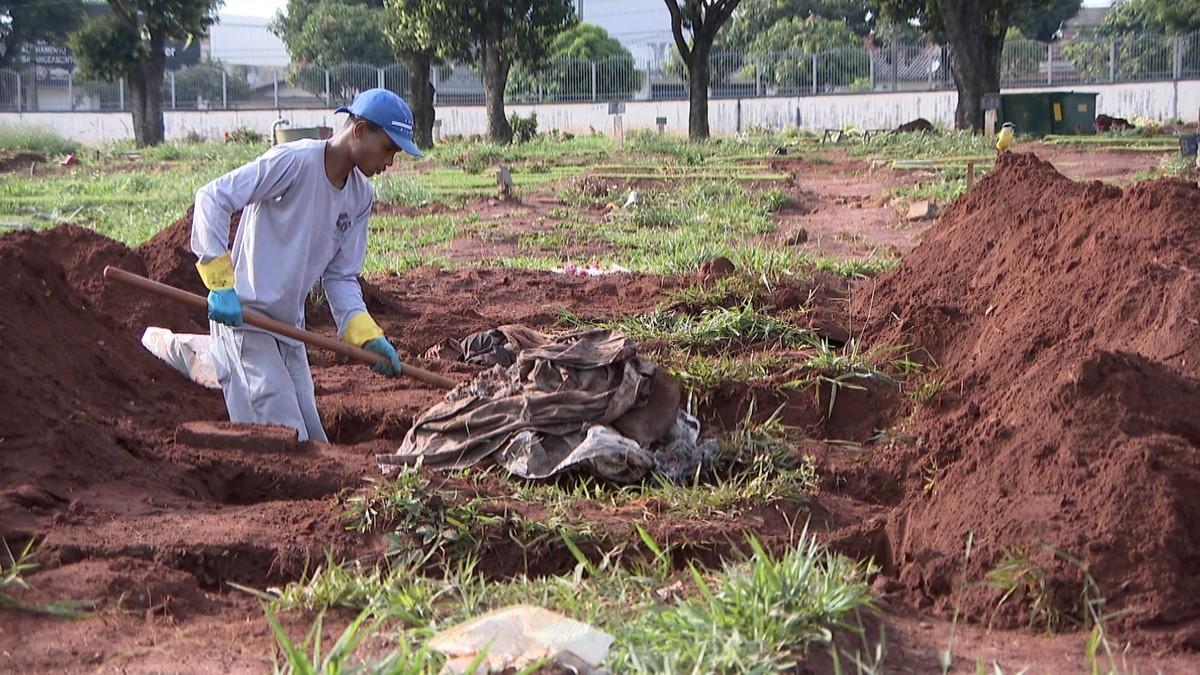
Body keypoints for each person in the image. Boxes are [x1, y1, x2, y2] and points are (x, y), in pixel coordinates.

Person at [190, 88, 421, 442]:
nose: (390, 161)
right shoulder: (295, 162)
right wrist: (219, 283)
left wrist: (367, 336)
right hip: (247, 323)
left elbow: (341, 275)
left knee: (315, 440)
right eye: (389, 148)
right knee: (284, 440)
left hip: (288, 329)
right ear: (359, 131)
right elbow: (213, 197)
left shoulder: (360, 195)